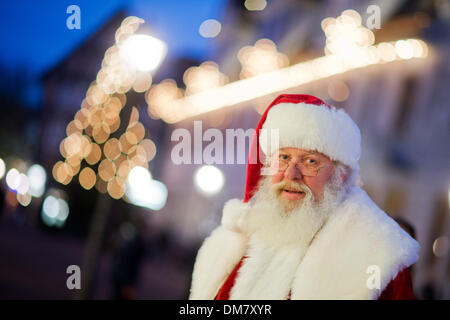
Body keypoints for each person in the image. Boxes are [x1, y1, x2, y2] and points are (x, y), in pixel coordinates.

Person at [189, 94, 419, 300]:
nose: (291, 174)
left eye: (310, 161)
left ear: (340, 175)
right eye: (284, 158)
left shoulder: (378, 259)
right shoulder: (234, 240)